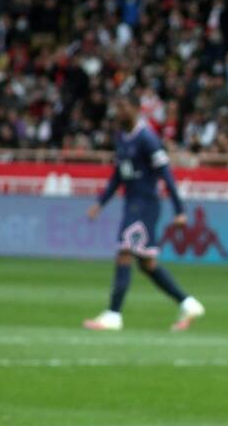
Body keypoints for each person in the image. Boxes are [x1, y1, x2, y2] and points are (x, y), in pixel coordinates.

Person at [83, 96, 206, 332]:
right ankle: (189, 304)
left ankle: (113, 315)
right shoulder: (121, 138)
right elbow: (118, 176)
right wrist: (100, 203)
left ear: (135, 110)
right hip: (132, 204)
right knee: (147, 264)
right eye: (117, 107)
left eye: (124, 107)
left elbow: (166, 176)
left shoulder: (147, 139)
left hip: (145, 205)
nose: (120, 112)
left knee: (124, 253)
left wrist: (180, 210)